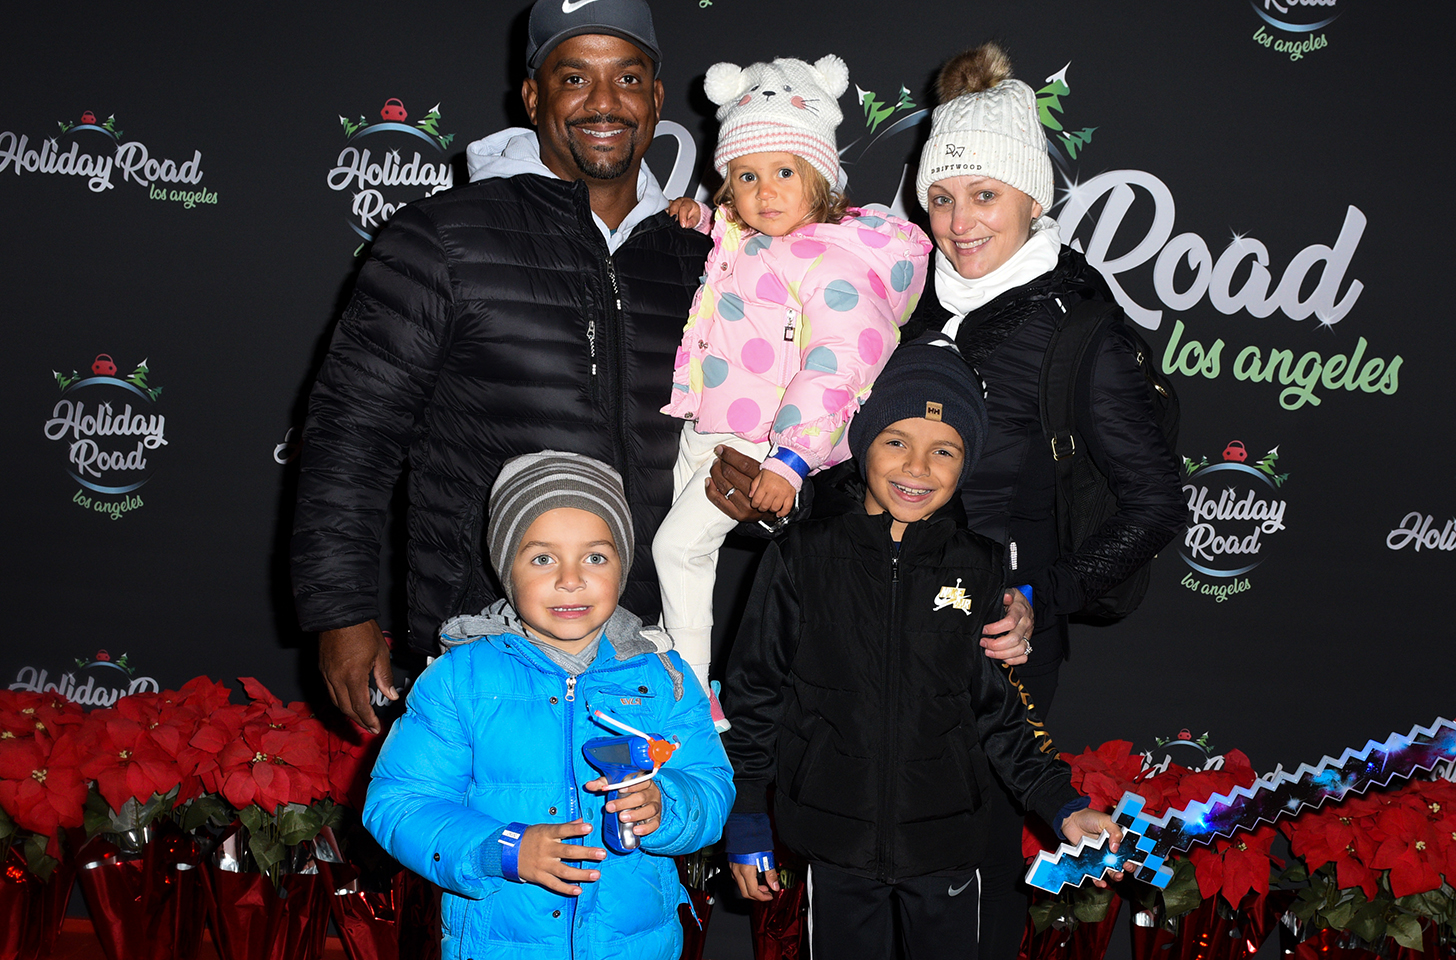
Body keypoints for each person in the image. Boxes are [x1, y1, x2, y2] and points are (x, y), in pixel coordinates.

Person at [290, 0, 715, 733]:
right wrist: (341, 613)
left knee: (638, 844)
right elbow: (351, 435)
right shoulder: (440, 238)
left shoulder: (703, 259)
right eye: (575, 77)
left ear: (654, 96)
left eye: (628, 78)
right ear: (533, 96)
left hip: (648, 649)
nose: (604, 103)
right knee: (492, 848)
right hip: (484, 643)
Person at [900, 42, 1185, 960]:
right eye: (941, 196)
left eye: (984, 194)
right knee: (885, 869)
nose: (958, 220)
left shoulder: (1084, 328)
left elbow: (1155, 503)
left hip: (1001, 642)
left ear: (1033, 196)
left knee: (967, 877)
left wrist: (1040, 600)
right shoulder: (904, 298)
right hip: (887, 624)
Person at [717, 337, 1123, 960]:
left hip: (947, 847)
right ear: (863, 445)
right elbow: (755, 693)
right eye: (896, 442)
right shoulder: (801, 555)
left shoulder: (982, 569)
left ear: (966, 465)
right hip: (833, 843)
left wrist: (1061, 806)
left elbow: (1002, 715)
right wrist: (746, 814)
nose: (917, 468)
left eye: (944, 451)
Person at [363, 451, 734, 960]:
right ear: (504, 568)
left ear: (623, 565)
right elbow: (398, 802)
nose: (570, 578)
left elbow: (711, 787)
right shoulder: (458, 680)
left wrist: (666, 805)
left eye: (596, 557)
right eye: (542, 558)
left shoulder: (662, 678)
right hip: (500, 946)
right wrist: (503, 848)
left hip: (637, 945)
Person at [653, 54, 932, 704]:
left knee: (677, 550)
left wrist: (792, 459)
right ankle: (674, 675)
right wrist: (701, 218)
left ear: (821, 177)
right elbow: (734, 240)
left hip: (767, 436)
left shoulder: (831, 257)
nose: (766, 192)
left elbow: (844, 358)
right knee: (684, 562)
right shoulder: (746, 230)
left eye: (785, 172)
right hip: (710, 423)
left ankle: (691, 700)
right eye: (746, 176)